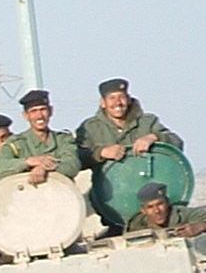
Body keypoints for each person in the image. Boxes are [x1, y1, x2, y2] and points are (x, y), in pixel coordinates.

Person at [76, 78, 184, 233]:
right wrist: (101, 152)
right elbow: (77, 158)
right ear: (103, 102)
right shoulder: (90, 128)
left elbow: (177, 144)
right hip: (114, 209)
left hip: (155, 211)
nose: (118, 103)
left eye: (121, 97)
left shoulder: (147, 123)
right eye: (112, 98)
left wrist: (154, 137)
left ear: (128, 99)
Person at [0, 89, 81, 185]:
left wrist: (43, 167)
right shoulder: (16, 144)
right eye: (33, 111)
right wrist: (27, 162)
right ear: (25, 116)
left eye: (43, 109)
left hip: (60, 195)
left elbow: (72, 166)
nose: (39, 116)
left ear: (51, 111)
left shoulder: (63, 140)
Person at [126, 182, 206, 237]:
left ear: (168, 203)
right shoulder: (134, 227)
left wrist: (201, 226)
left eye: (160, 204)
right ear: (143, 210)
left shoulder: (182, 215)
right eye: (150, 207)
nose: (157, 211)